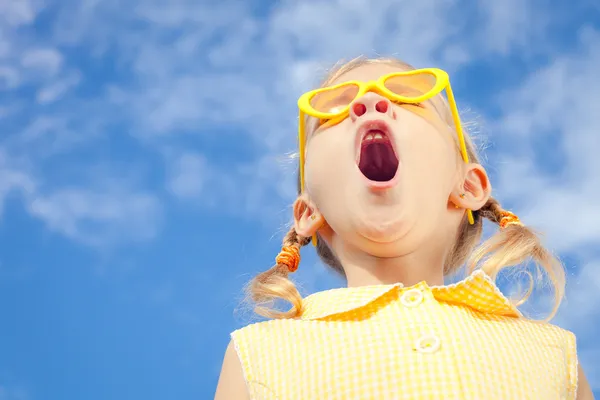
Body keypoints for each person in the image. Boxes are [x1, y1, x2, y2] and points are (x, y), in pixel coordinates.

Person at [214, 57, 594, 399]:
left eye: (409, 99)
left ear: (468, 186)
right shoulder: (259, 353)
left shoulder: (553, 355)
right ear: (309, 212)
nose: (367, 104)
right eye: (333, 111)